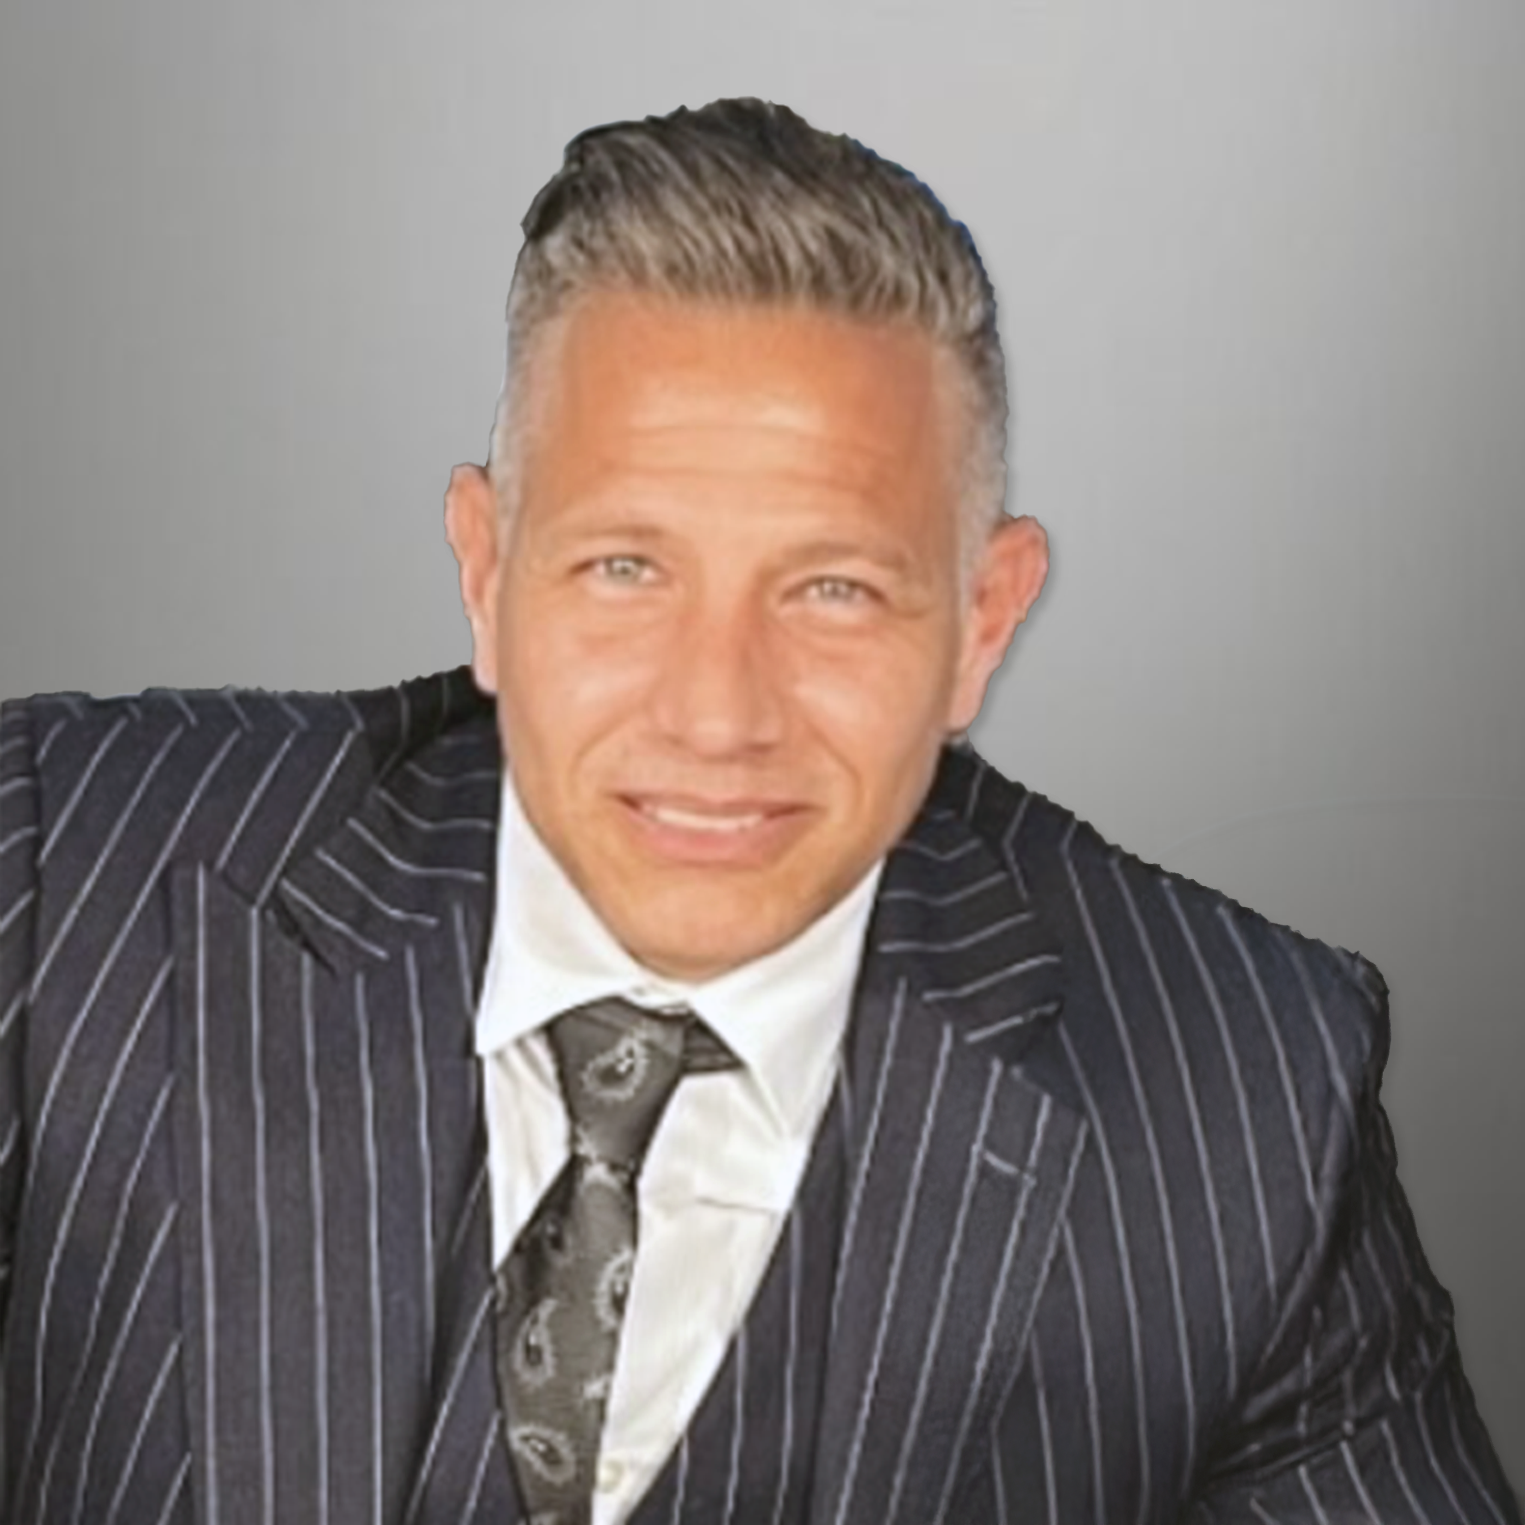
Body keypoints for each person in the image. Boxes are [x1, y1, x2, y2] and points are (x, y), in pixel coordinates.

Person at [0, 97, 1515, 1525]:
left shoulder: (1245, 1105)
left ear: (984, 624)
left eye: (835, 590)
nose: (716, 713)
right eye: (625, 570)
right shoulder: (64, 872)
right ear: (486, 572)